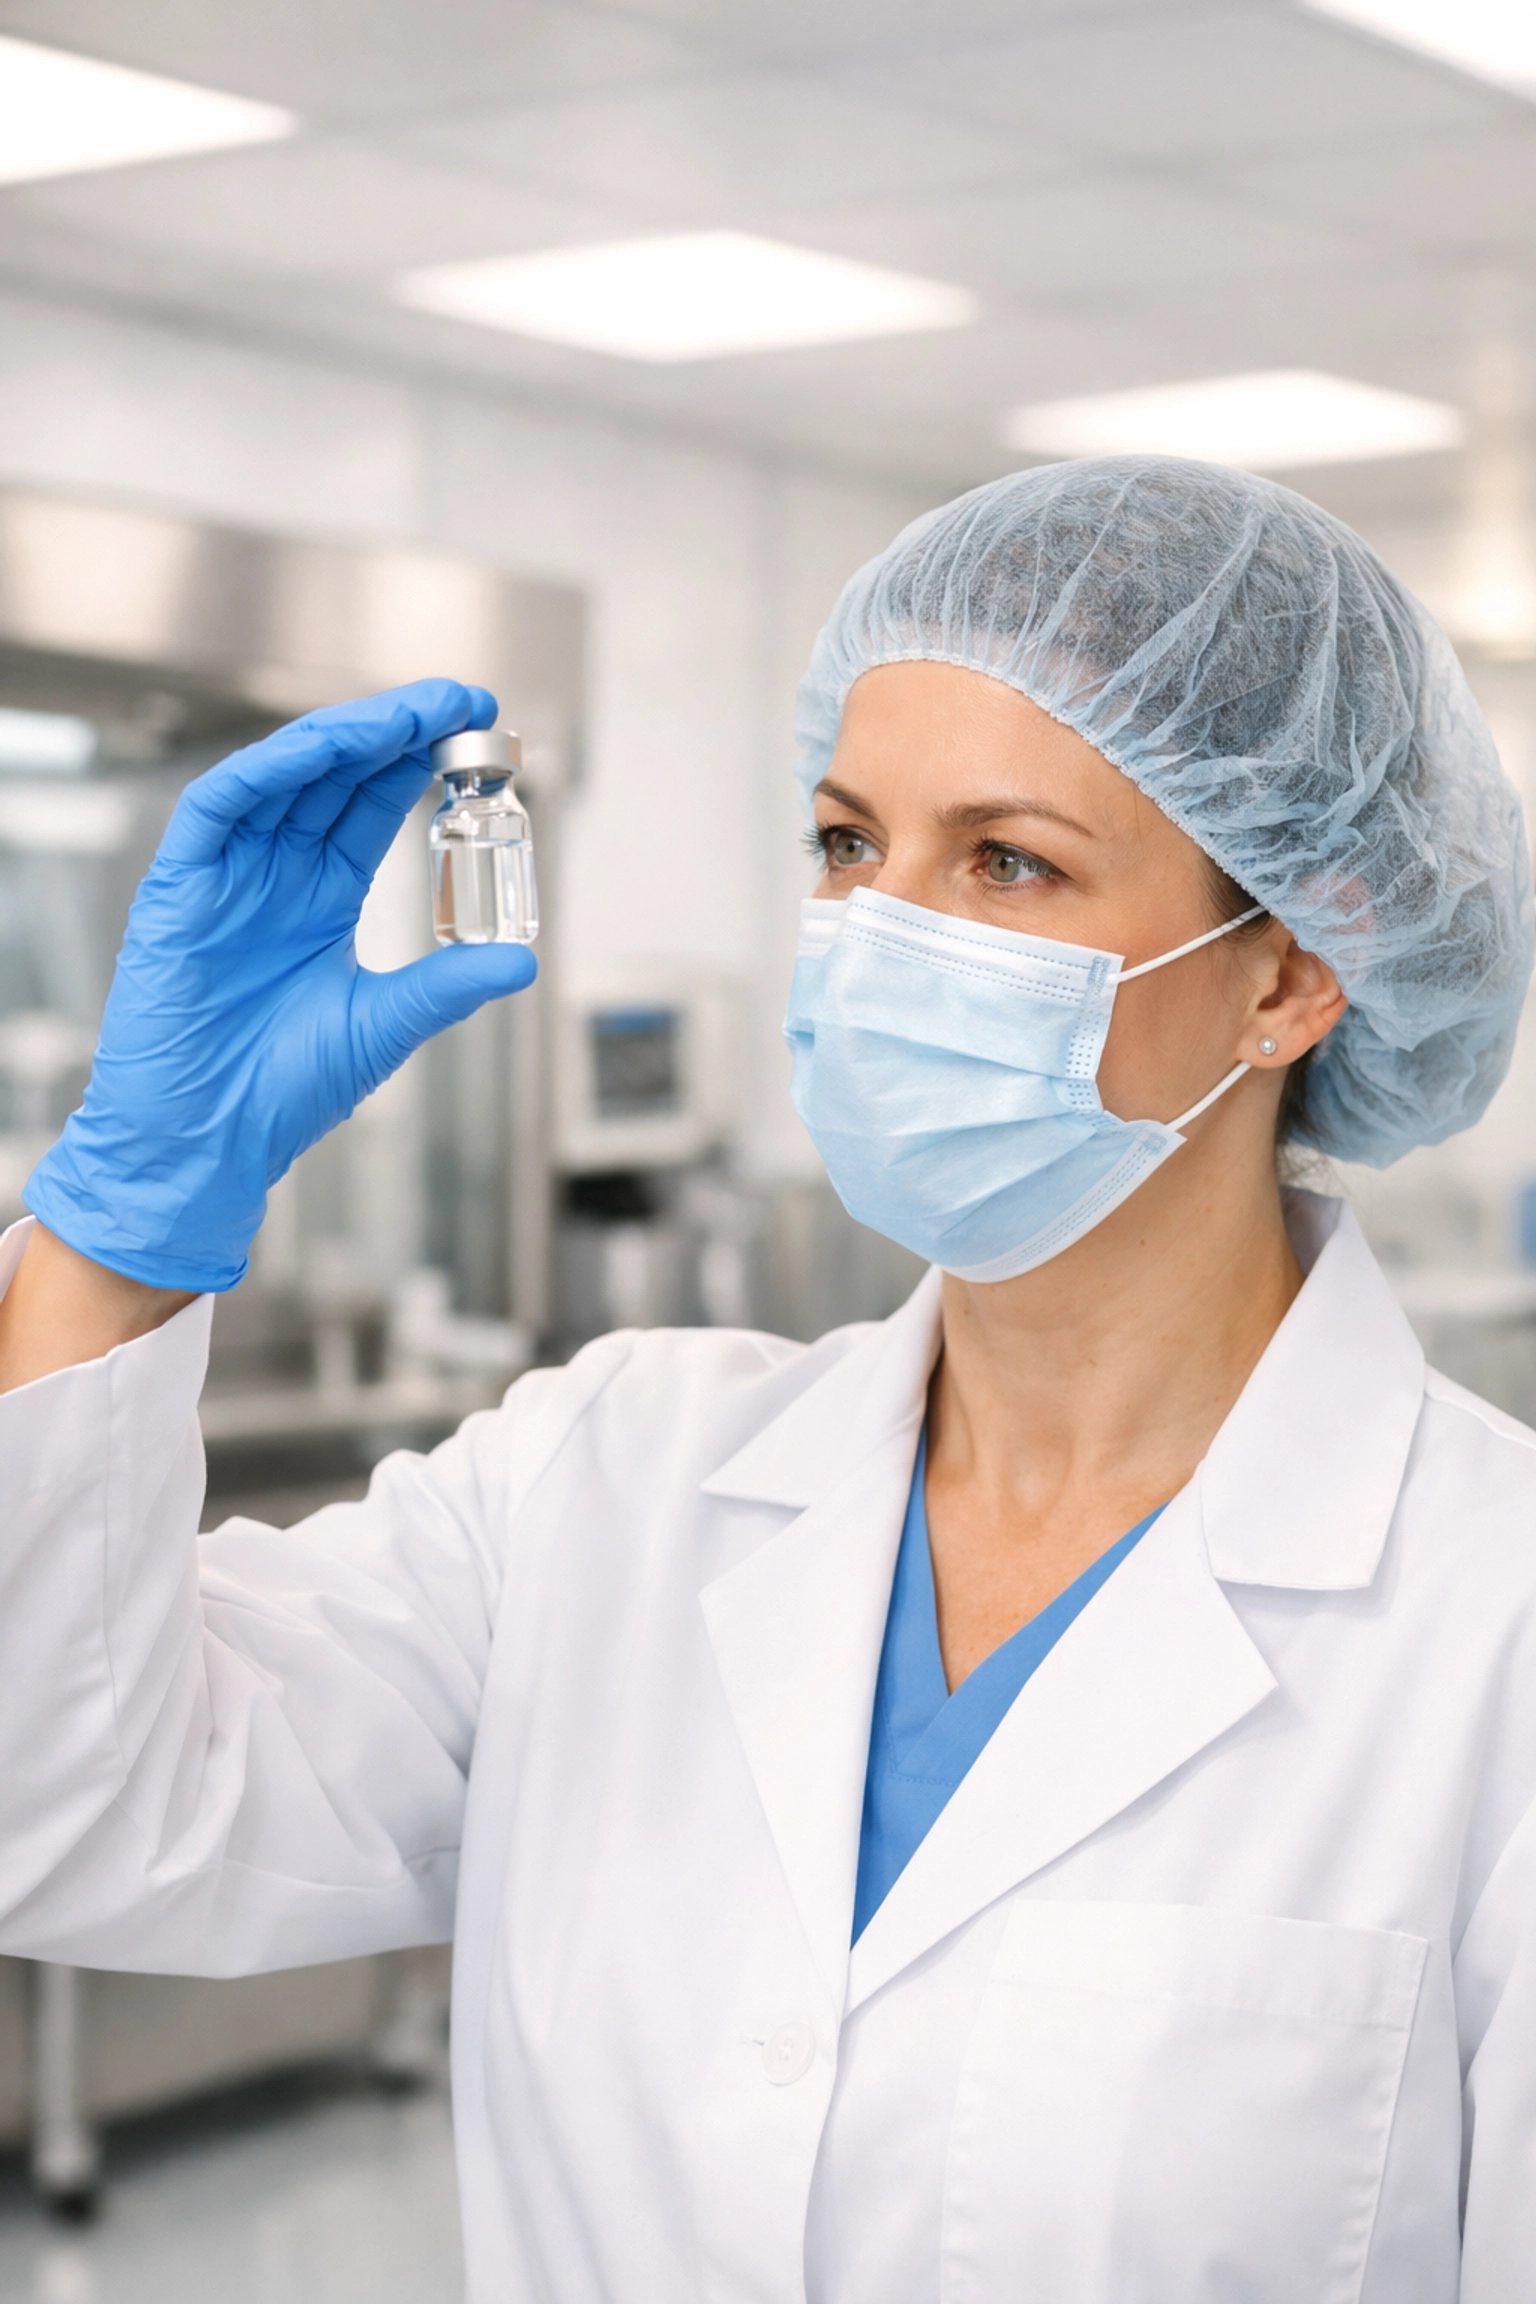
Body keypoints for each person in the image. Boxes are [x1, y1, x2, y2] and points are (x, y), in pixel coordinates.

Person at [0, 457, 1533, 2303]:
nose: (881, 931)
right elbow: (61, 1807)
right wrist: (121, 1226)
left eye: (1008, 861)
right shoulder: (606, 1477)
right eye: (844, 843)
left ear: (1290, 971)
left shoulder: (1493, 1627)